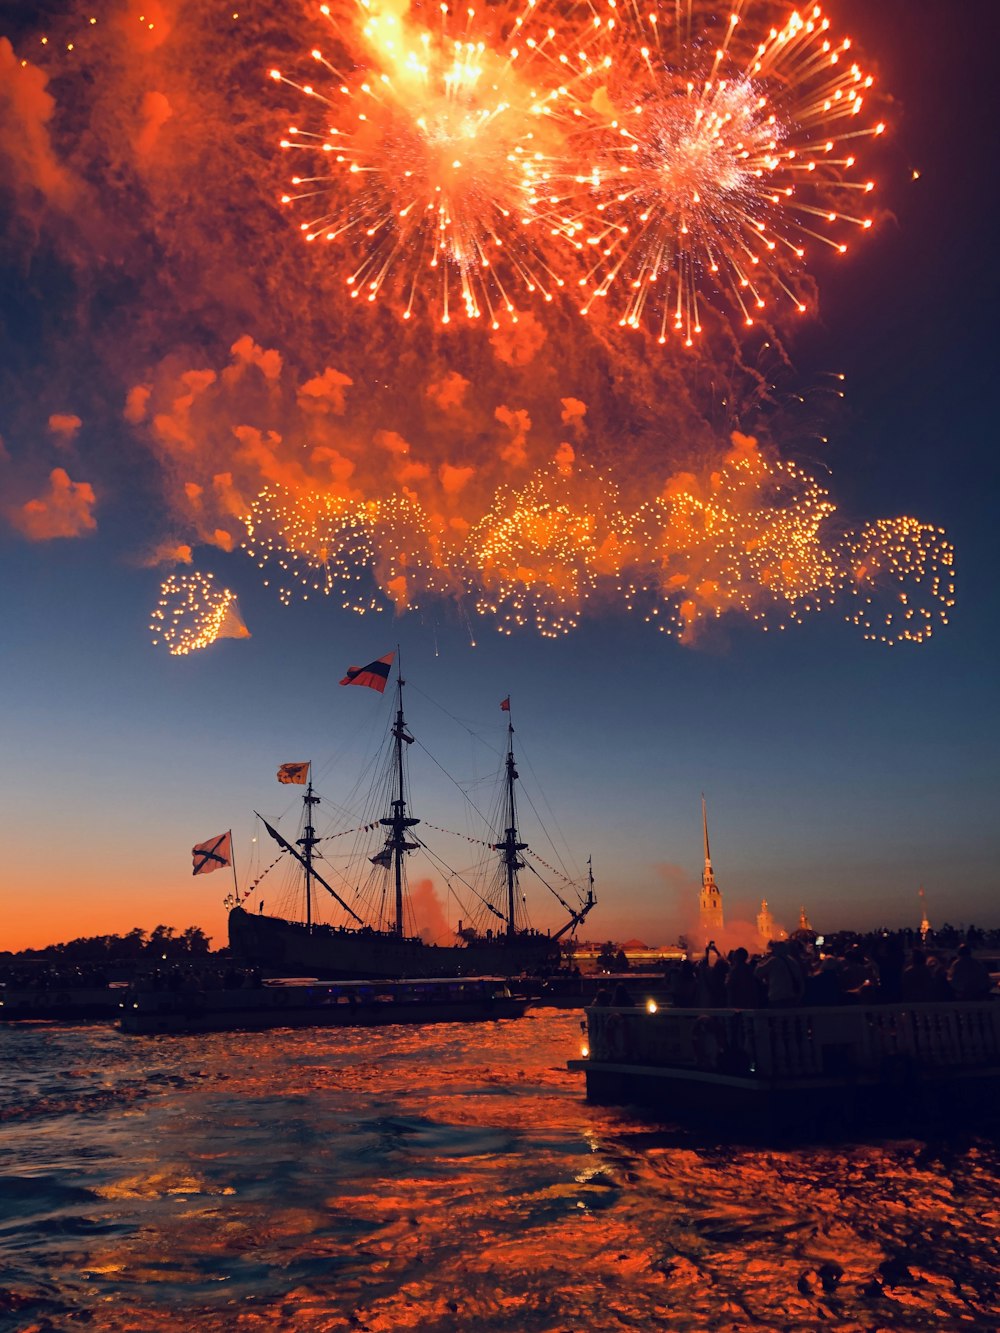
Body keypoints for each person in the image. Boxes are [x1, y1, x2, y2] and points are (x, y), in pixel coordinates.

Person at [755, 940, 805, 1007]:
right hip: (791, 998)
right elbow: (800, 980)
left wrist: (761, 962)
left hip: (777, 997)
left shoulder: (773, 961)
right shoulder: (793, 961)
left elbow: (757, 973)